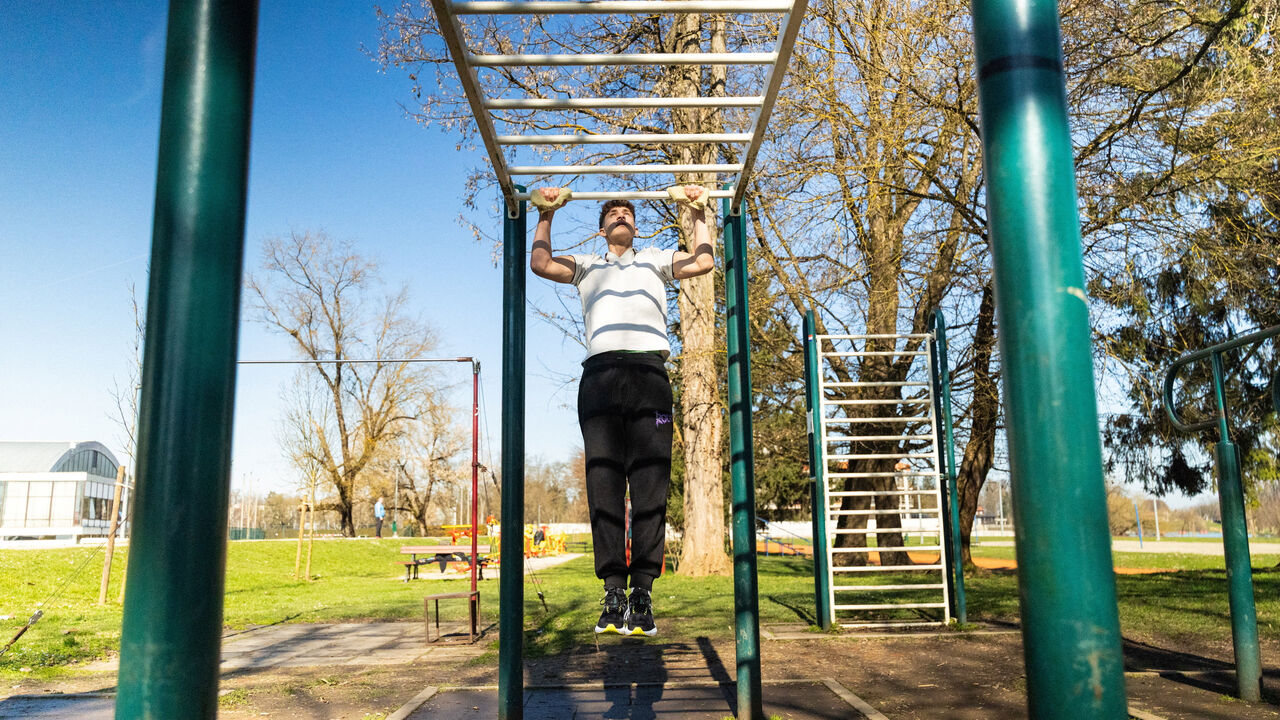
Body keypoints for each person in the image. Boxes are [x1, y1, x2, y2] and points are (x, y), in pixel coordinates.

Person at [529, 185, 715, 637]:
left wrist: (699, 211)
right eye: (612, 213)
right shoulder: (588, 266)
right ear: (601, 229)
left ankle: (643, 593)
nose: (621, 216)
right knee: (604, 480)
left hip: (651, 377)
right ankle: (613, 591)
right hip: (600, 379)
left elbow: (705, 260)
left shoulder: (655, 259)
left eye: (627, 212)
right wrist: (547, 213)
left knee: (651, 482)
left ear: (635, 226)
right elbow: (540, 263)